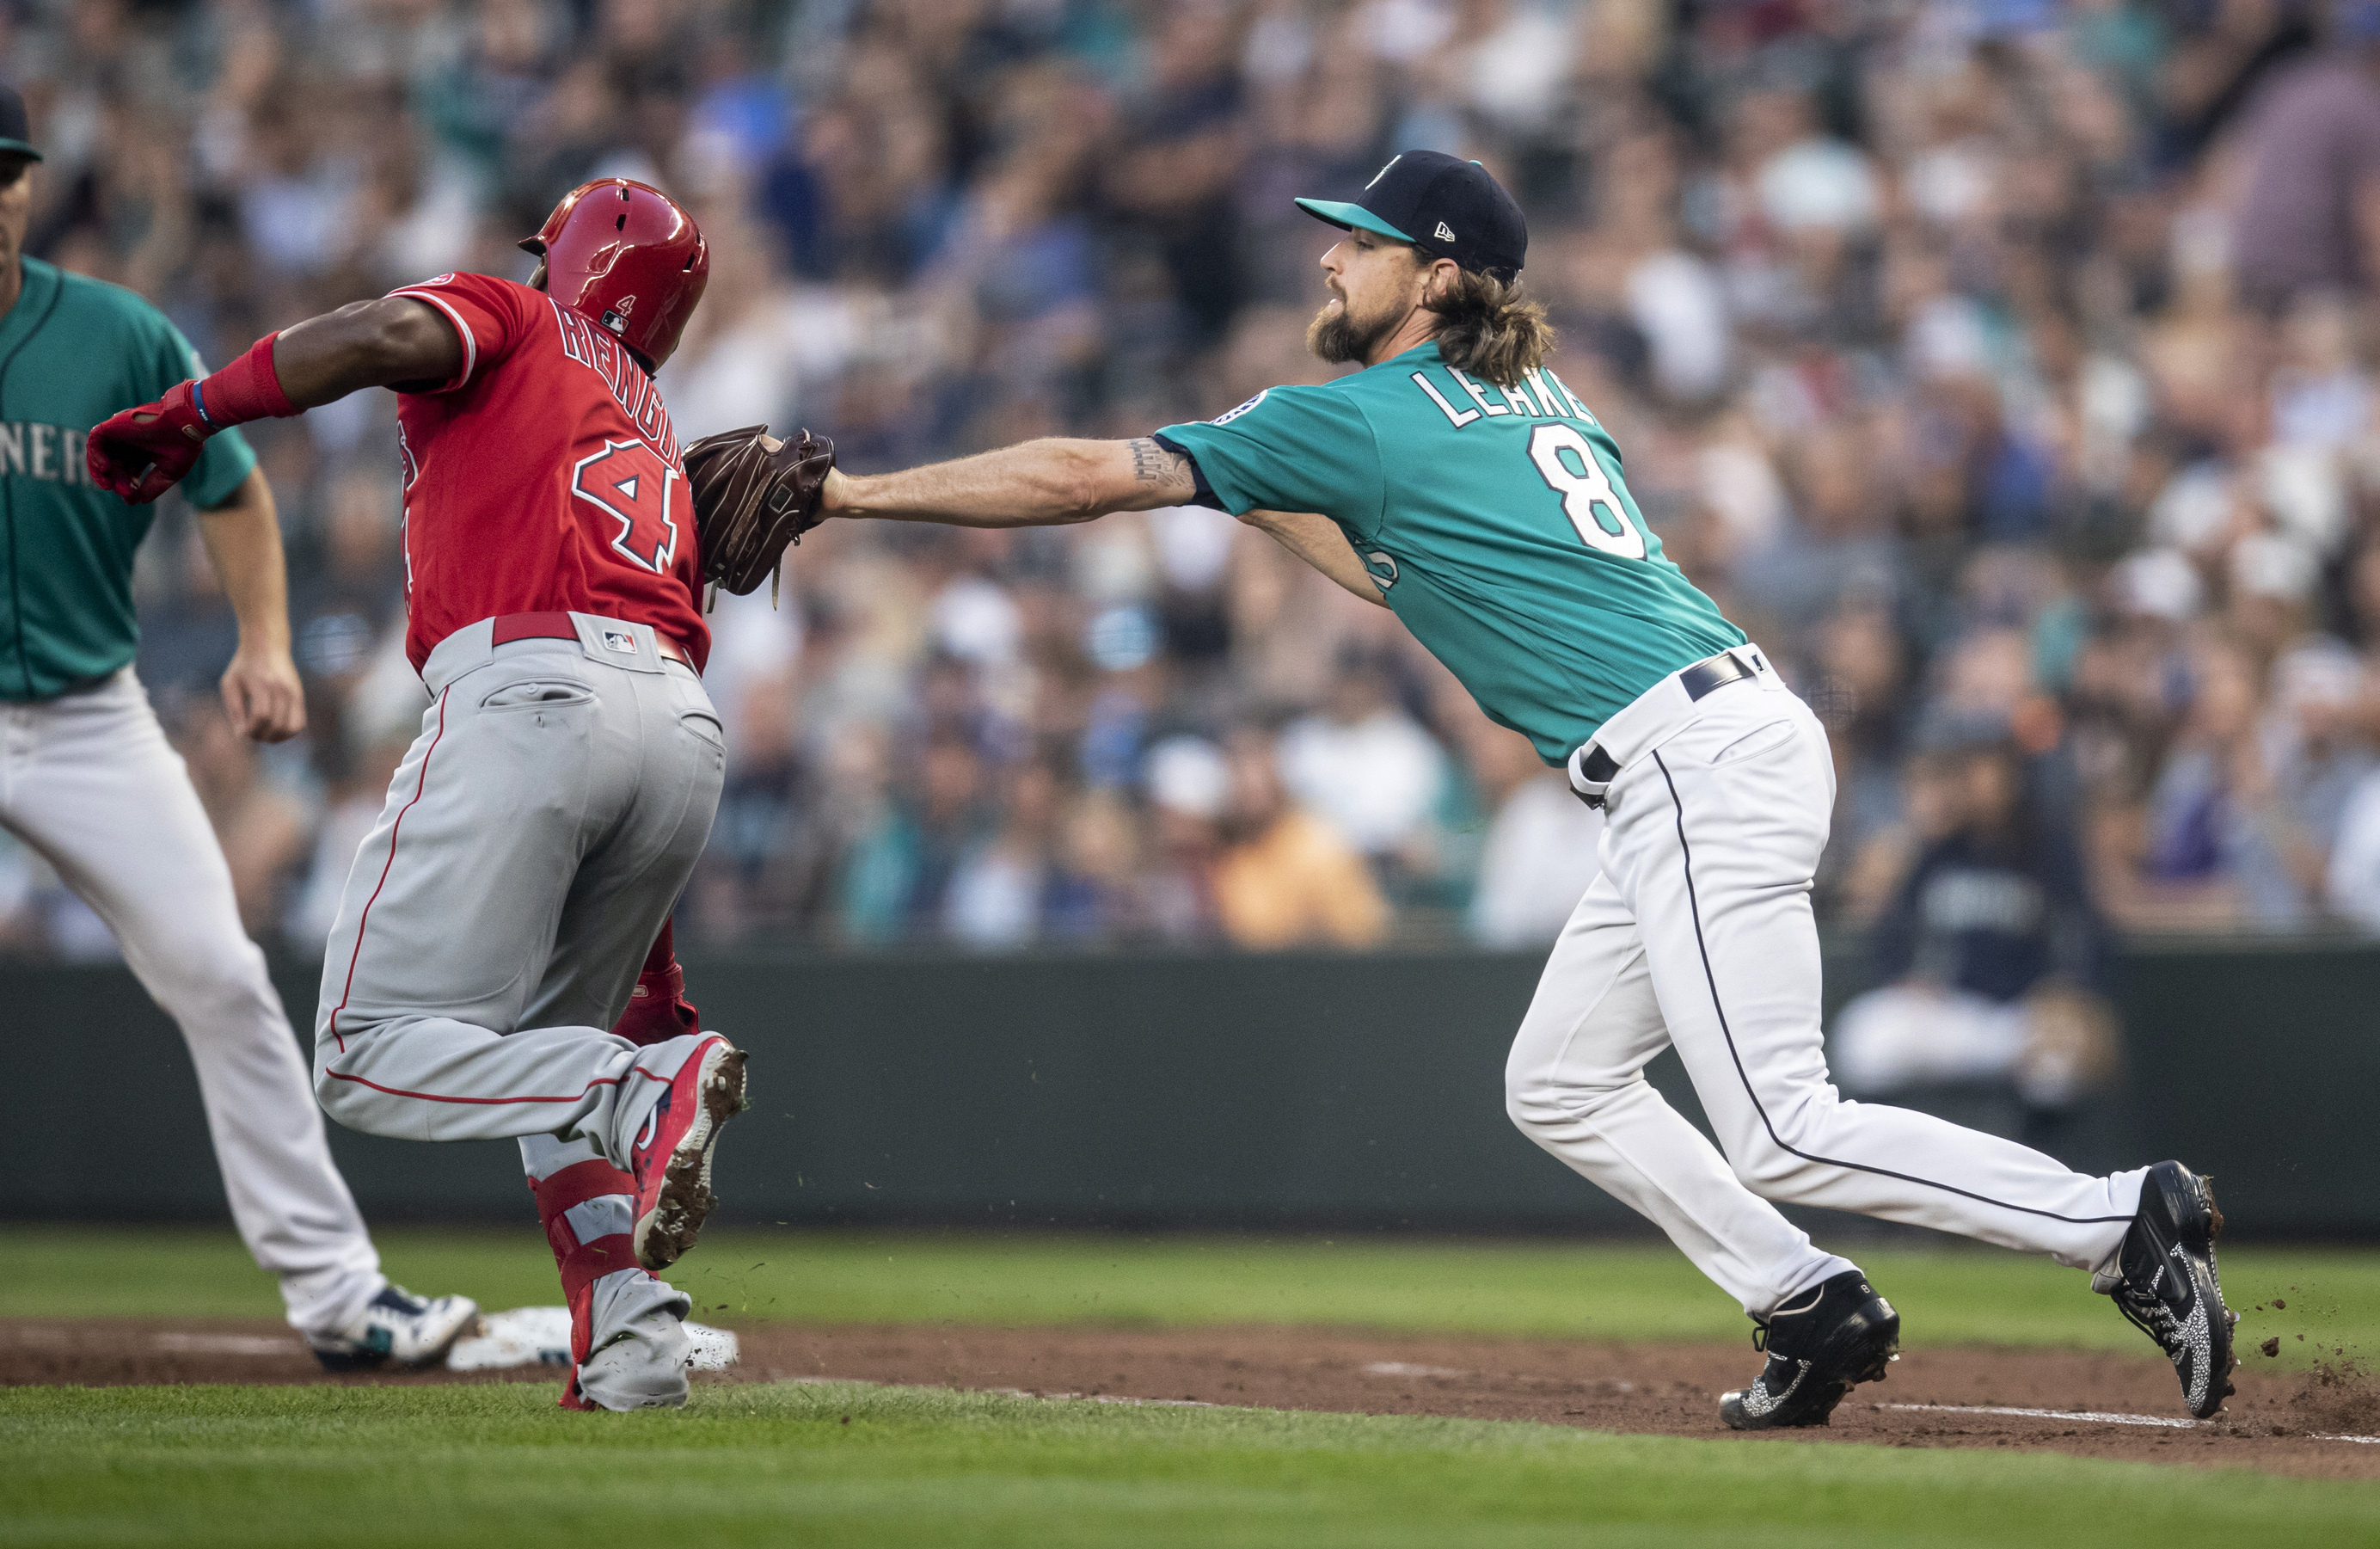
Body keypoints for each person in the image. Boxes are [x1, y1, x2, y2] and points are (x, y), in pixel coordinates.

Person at [802, 151, 2237, 1423]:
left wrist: (852, 496)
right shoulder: (1520, 385)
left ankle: (2120, 1221)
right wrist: (1252, 496)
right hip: (1712, 740)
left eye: (1358, 241)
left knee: (1783, 1117)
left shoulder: (1365, 414)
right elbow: (1390, 568)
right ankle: (1806, 1297)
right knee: (1557, 1080)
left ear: (1432, 275)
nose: (1327, 255)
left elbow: (1081, 478)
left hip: (1688, 764)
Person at [87, 178, 745, 1413]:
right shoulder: (651, 418)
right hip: (682, 725)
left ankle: (634, 1090)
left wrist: (194, 409)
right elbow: (641, 708)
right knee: (555, 1051)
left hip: (531, 689)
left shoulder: (519, 315)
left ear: (575, 260)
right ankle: (633, 1341)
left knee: (363, 1051)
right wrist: (647, 971)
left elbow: (389, 332)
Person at [0, 83, 476, 1368]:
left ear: (31, 185)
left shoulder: (111, 334)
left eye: (4, 172)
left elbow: (225, 476)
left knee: (219, 973)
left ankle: (340, 1296)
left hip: (89, 714)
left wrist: (266, 640)